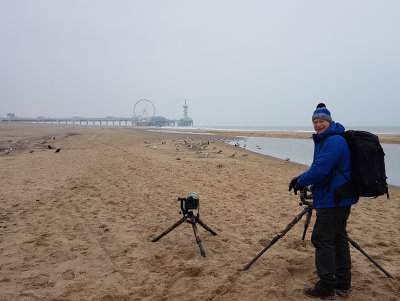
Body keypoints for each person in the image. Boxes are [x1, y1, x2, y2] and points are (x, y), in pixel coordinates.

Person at [289, 103, 358, 300]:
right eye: (315, 122)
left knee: (322, 239)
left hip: (334, 200)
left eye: (322, 121)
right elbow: (324, 170)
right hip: (337, 197)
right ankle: (343, 283)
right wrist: (307, 183)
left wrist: (300, 180)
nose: (318, 125)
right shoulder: (327, 139)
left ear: (329, 121)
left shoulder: (334, 141)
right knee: (339, 239)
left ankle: (327, 287)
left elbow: (319, 169)